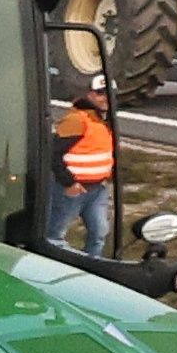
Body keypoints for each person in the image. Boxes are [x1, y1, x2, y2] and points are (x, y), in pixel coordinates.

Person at [49, 78, 118, 256]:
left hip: (97, 189)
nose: (106, 98)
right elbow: (53, 154)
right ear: (90, 94)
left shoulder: (103, 120)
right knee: (55, 235)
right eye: (100, 93)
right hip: (73, 189)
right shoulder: (77, 120)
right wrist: (69, 183)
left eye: (110, 94)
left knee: (99, 233)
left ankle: (92, 267)